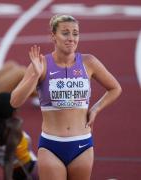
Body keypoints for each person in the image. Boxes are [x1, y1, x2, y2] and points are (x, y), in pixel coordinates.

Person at [10, 14, 122, 180]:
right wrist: (35, 75)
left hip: (82, 144)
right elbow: (14, 101)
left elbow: (115, 88)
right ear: (53, 36)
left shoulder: (89, 62)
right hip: (51, 146)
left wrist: (96, 109)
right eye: (65, 33)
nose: (71, 38)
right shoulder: (42, 64)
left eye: (75, 33)